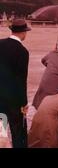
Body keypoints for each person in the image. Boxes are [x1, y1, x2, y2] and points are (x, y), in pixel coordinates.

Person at [0, 19, 31, 148]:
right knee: (18, 133)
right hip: (14, 100)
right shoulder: (22, 52)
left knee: (1, 130)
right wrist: (24, 103)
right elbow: (21, 79)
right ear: (23, 32)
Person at [32, 39, 58, 109]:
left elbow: (43, 60)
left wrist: (53, 52)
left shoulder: (51, 55)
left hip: (43, 88)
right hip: (55, 92)